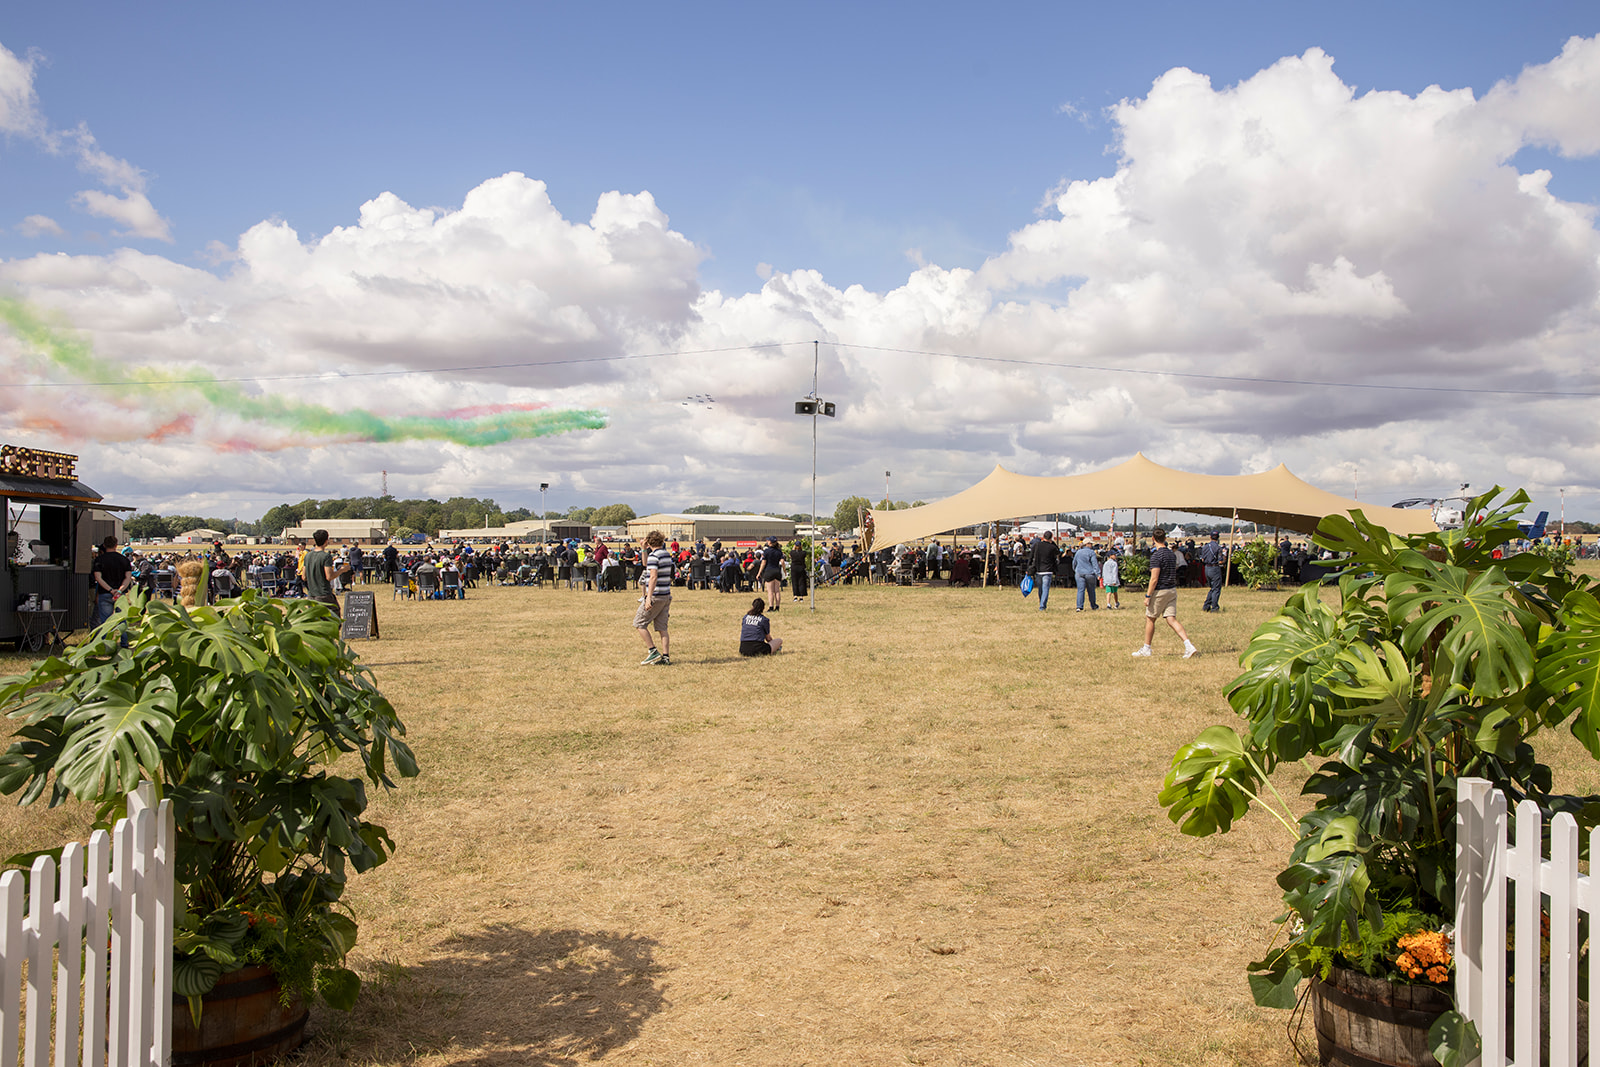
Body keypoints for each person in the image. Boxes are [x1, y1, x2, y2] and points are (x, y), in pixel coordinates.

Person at [1133, 528, 1197, 658]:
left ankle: (1147, 647)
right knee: (1171, 619)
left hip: (1160, 590)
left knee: (1150, 618)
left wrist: (1148, 595)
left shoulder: (1156, 556)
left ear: (1153, 539)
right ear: (1165, 538)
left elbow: (1154, 578)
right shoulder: (1171, 555)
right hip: (1171, 590)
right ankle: (1188, 645)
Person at [634, 530, 674, 666]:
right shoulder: (665, 554)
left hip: (656, 595)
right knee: (662, 628)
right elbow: (646, 565)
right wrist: (644, 550)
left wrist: (648, 598)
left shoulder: (654, 556)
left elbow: (653, 576)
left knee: (639, 623)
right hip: (666, 595)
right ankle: (666, 656)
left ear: (649, 541)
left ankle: (652, 650)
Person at [91, 535, 133, 630]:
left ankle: (106, 642)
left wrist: (110, 590)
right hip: (120, 594)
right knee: (122, 620)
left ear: (105, 545)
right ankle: (124, 642)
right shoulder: (124, 560)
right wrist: (119, 590)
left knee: (105, 622)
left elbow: (98, 578)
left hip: (105, 592)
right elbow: (128, 577)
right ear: (116, 545)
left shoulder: (99, 560)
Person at [302, 529, 341, 618]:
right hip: (324, 595)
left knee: (315, 621)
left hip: (311, 595)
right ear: (326, 541)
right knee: (334, 618)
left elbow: (304, 577)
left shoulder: (307, 556)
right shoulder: (326, 556)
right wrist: (341, 570)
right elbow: (329, 576)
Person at [1028, 532, 1060, 610]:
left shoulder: (1037, 545)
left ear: (1043, 537)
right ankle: (1042, 605)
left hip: (1038, 569)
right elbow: (1058, 552)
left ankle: (1041, 602)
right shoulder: (1052, 547)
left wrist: (1028, 567)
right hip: (1048, 570)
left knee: (1040, 588)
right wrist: (1053, 543)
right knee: (1045, 588)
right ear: (1051, 538)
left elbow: (1031, 556)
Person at [1200, 532, 1225, 612]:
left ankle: (1206, 605)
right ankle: (1214, 607)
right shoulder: (1218, 548)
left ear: (1210, 537)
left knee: (1212, 588)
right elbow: (1220, 561)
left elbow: (1203, 559)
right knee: (1216, 588)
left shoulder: (1205, 547)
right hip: (1214, 568)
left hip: (1207, 568)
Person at [1073, 540, 1100, 611]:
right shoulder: (1091, 552)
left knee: (1080, 590)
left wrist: (1075, 570)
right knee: (1091, 590)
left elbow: (1074, 563)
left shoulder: (1078, 552)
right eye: (1091, 544)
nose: (1092, 545)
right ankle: (1093, 605)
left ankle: (1079, 606)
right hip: (1089, 573)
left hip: (1079, 573)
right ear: (1087, 544)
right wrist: (1098, 573)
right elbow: (1095, 564)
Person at [759, 537, 784, 610]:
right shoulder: (779, 551)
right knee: (777, 591)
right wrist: (784, 571)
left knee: (770, 591)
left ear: (770, 542)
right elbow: (782, 562)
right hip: (777, 570)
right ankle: (777, 606)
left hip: (769, 570)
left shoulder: (766, 551)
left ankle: (771, 606)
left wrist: (759, 572)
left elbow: (763, 563)